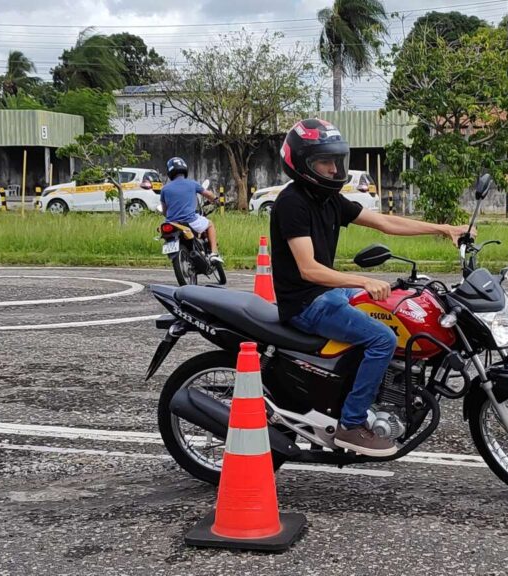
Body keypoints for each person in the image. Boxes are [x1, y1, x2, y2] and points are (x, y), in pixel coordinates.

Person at [270, 118, 469, 457]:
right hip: (305, 303)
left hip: (326, 293)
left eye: (337, 161)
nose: (334, 169)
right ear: (303, 164)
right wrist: (362, 279)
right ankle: (351, 424)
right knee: (382, 338)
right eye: (325, 162)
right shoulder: (292, 203)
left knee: (400, 307)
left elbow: (384, 222)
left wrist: (443, 228)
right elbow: (309, 269)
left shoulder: (328, 199)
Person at [161, 157, 221, 264]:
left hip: (172, 223)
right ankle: (214, 253)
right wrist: (216, 200)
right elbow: (207, 194)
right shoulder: (192, 183)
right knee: (210, 224)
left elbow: (164, 211)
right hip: (190, 220)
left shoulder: (165, 189)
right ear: (184, 169)